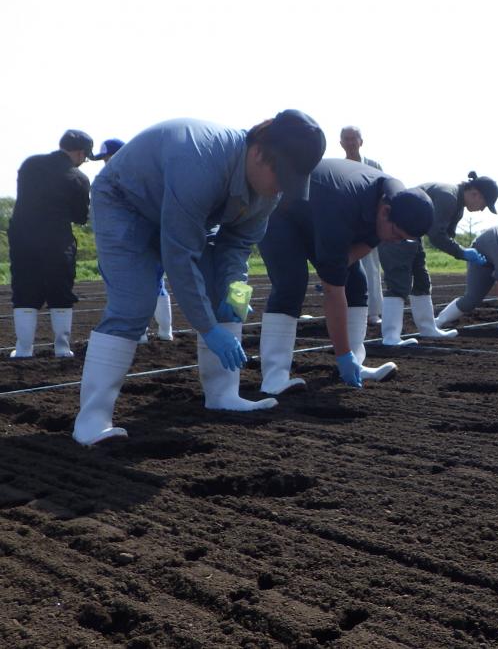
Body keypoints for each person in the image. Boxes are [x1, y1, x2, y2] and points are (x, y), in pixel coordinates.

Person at [71, 111, 326, 447]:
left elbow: (237, 247)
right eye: (281, 176)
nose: (281, 188)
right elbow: (179, 255)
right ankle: (91, 420)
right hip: (126, 201)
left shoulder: (268, 193)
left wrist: (236, 298)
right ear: (260, 152)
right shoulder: (203, 161)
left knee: (224, 293)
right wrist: (208, 328)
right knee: (134, 303)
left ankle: (224, 394)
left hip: (186, 216)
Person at [257, 158, 434, 394]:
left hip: (316, 214)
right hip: (282, 213)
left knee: (356, 283)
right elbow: (333, 292)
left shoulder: (394, 199)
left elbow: (372, 240)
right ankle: (274, 378)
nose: (396, 241)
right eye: (397, 235)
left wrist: (335, 270)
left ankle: (356, 363)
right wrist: (341, 355)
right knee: (291, 283)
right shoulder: (343, 204)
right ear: (385, 212)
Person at [377, 171, 498, 346]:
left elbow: (447, 235)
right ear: (475, 193)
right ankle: (390, 337)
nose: (482, 209)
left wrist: (462, 250)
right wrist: (462, 252)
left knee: (422, 281)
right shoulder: (448, 197)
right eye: (484, 204)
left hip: (412, 235)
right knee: (398, 282)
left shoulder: (457, 204)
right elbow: (436, 235)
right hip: (394, 231)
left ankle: (427, 328)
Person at [8, 129, 94, 359]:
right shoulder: (78, 178)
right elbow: (79, 216)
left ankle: (24, 349)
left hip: (23, 237)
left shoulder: (30, 165)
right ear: (78, 153)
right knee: (60, 291)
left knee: (24, 291)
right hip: (57, 241)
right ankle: (62, 347)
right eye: (85, 156)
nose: (84, 161)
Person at [95, 138, 175, 343]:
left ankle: (146, 332)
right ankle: (162, 332)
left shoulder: (125, 177)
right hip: (150, 233)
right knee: (156, 282)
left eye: (108, 157)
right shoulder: (144, 171)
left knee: (142, 283)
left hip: (139, 237)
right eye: (104, 159)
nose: (107, 162)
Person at [340, 125, 384, 326]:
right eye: (346, 139)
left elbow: (384, 193)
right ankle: (347, 310)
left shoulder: (373, 166)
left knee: (371, 269)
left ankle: (373, 312)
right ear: (341, 143)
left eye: (353, 138)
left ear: (361, 141)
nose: (350, 142)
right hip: (344, 224)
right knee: (343, 266)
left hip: (368, 225)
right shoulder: (338, 167)